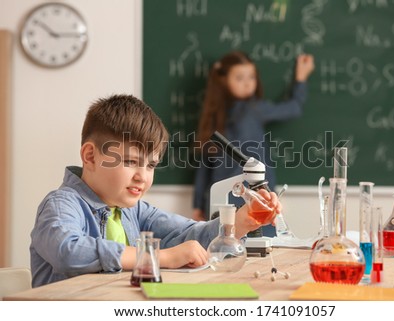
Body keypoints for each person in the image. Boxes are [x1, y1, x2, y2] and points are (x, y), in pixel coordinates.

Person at [29, 94, 281, 287]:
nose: (142, 176)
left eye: (150, 165)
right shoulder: (62, 204)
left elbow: (188, 236)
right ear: (91, 156)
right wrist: (158, 257)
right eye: (130, 162)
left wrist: (241, 221)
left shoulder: (134, 210)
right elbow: (68, 251)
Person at [192, 51, 315, 234]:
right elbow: (204, 166)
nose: (248, 82)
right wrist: (197, 206)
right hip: (231, 200)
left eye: (252, 77)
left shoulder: (253, 109)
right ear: (224, 80)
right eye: (240, 78)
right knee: (227, 249)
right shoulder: (218, 116)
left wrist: (301, 77)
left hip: (253, 199)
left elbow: (293, 110)